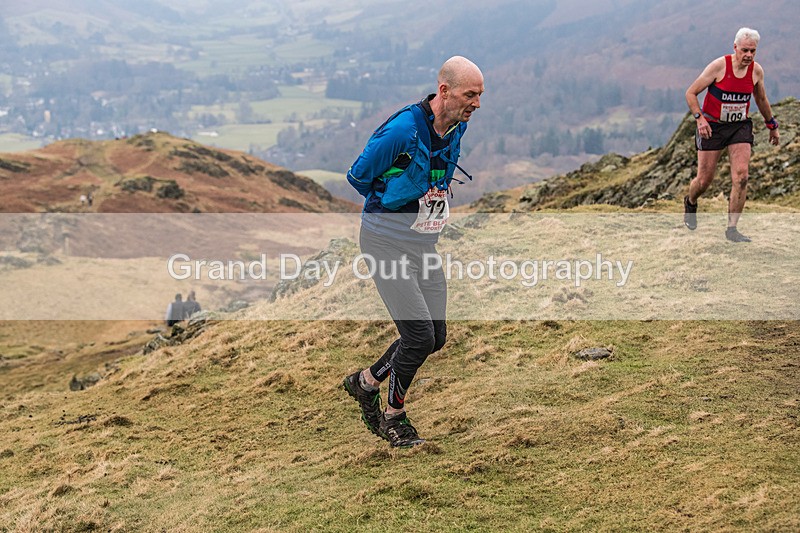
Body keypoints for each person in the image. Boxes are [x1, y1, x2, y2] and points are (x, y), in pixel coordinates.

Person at [342, 56, 484, 448]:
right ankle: (394, 417)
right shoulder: (402, 130)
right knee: (418, 336)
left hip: (423, 242)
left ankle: (365, 382)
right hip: (385, 240)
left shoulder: (456, 127)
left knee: (434, 336)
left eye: (479, 96)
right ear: (444, 91)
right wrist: (394, 193)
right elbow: (357, 176)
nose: (476, 103)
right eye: (470, 94)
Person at [684, 27, 780, 242]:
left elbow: (761, 99)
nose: (748, 55)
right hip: (713, 127)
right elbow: (691, 93)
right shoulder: (719, 66)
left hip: (739, 127)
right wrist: (699, 119)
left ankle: (732, 229)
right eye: (744, 50)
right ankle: (691, 202)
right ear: (735, 47)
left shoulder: (756, 71)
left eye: (753, 51)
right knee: (704, 180)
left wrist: (771, 124)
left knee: (742, 176)